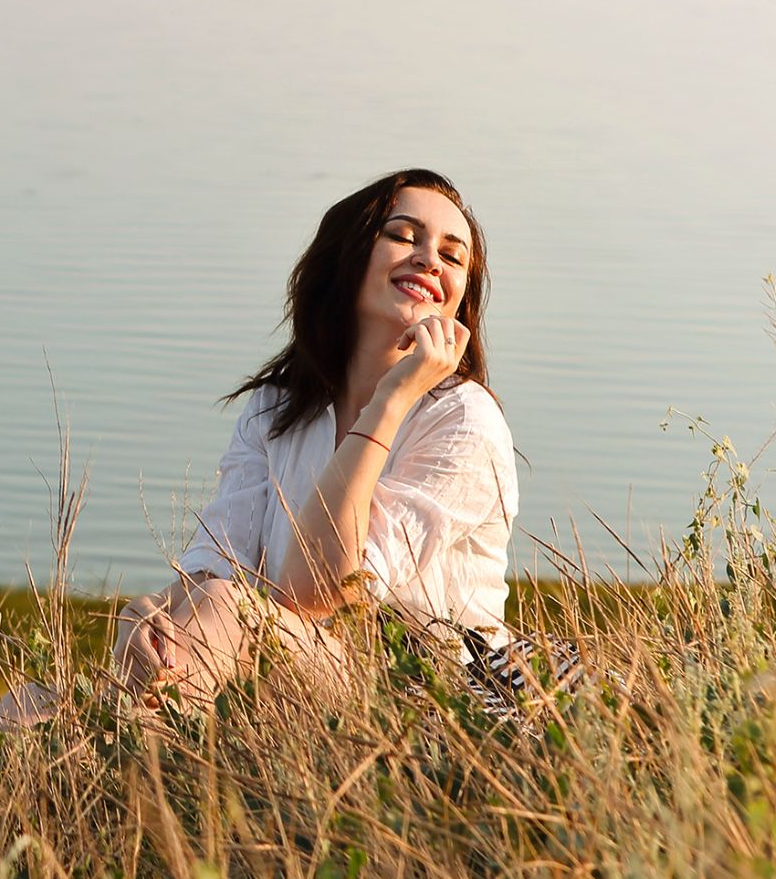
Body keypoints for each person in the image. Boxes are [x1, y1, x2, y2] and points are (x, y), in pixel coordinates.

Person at [110, 167, 517, 707]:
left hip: (419, 703)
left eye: (453, 254)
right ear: (347, 256)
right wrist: (142, 614)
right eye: (403, 235)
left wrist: (392, 399)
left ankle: (144, 765)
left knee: (231, 609)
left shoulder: (463, 419)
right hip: (284, 679)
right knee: (25, 707)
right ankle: (144, 769)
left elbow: (321, 589)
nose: (429, 259)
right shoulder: (276, 409)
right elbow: (213, 565)